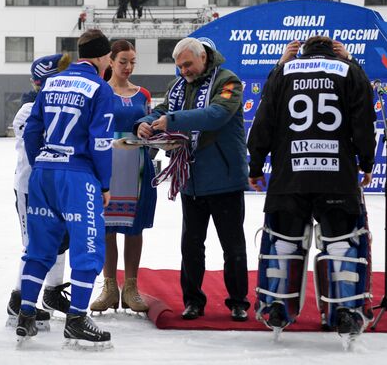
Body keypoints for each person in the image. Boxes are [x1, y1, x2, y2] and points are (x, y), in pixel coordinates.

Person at [248, 36, 376, 338]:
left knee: (283, 243)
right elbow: (364, 120)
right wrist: (367, 163)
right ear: (335, 51)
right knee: (342, 244)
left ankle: (277, 305)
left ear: (302, 52)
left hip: (289, 175)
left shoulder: (285, 71)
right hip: (336, 176)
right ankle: (345, 311)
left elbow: (263, 120)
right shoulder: (348, 70)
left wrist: (255, 167)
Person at [135, 37, 250, 322]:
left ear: (204, 57)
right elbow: (161, 111)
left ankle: (238, 302)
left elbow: (216, 115)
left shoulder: (228, 81)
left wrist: (172, 120)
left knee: (232, 246)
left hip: (225, 178)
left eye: (187, 64)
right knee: (191, 246)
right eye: (179, 66)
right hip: (191, 180)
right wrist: (144, 124)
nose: (183, 70)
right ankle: (193, 301)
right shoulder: (179, 86)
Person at [16, 29, 115, 348]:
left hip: (43, 173)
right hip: (78, 175)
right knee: (88, 247)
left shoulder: (52, 82)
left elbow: (32, 131)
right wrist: (105, 183)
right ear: (103, 57)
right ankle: (76, 319)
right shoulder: (100, 88)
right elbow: (101, 142)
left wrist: (44, 161)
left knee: (40, 248)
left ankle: (26, 314)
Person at [6, 53, 73, 330]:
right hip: (31, 188)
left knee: (60, 239)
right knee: (35, 245)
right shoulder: (29, 109)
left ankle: (52, 291)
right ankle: (18, 299)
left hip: (54, 184)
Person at [90, 40, 157, 314]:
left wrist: (150, 131)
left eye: (132, 62)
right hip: (107, 165)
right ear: (111, 61)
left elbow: (154, 127)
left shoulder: (143, 94)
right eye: (122, 62)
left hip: (137, 165)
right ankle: (109, 287)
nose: (128, 67)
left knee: (134, 227)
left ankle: (131, 287)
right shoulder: (99, 91)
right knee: (105, 227)